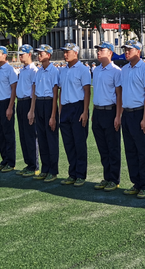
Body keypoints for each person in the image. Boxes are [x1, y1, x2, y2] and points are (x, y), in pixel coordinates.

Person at [119, 40, 145, 199]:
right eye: (125, 49)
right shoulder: (124, 69)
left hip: (140, 113)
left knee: (143, 151)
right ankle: (136, 183)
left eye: (130, 49)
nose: (126, 52)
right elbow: (121, 93)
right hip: (127, 113)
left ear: (138, 51)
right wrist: (120, 115)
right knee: (130, 150)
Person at [58, 43, 91, 187]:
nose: (65, 54)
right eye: (64, 52)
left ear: (75, 53)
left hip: (78, 107)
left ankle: (80, 175)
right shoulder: (63, 70)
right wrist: (60, 110)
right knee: (68, 143)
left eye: (68, 52)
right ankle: (72, 173)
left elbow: (87, 91)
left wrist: (85, 111)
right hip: (65, 108)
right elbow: (61, 91)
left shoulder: (83, 69)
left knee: (79, 143)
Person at [91, 41, 122, 192]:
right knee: (102, 147)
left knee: (112, 147)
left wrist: (118, 116)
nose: (98, 52)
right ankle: (107, 176)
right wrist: (93, 112)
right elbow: (96, 92)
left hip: (110, 111)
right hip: (98, 111)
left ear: (110, 53)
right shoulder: (96, 70)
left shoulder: (116, 71)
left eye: (101, 50)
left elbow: (119, 95)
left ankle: (114, 179)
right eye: (98, 50)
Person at [31, 44, 60, 183]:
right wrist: (33, 110)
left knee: (51, 138)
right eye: (38, 53)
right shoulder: (38, 72)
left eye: (41, 53)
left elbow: (55, 94)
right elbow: (35, 91)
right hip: (39, 104)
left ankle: (53, 170)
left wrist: (53, 115)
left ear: (48, 55)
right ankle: (45, 168)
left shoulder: (54, 71)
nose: (39, 55)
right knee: (42, 138)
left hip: (49, 104)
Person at [0, 46, 18, 173]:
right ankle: (4, 159)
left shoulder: (9, 70)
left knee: (8, 133)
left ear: (5, 55)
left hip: (6, 103)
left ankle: (11, 162)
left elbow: (14, 88)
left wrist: (10, 107)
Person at [15, 44, 39, 177]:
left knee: (30, 135)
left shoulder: (33, 70)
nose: (20, 56)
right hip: (21, 102)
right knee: (23, 135)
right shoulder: (23, 70)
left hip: (28, 103)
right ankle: (28, 163)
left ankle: (34, 165)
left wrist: (32, 110)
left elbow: (34, 92)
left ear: (29, 54)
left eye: (22, 54)